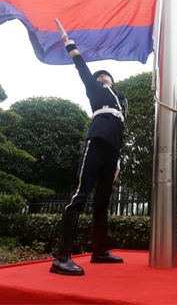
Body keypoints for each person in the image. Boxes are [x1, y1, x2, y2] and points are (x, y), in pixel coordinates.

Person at [50, 19, 128, 276]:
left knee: (103, 201)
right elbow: (82, 67)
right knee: (80, 194)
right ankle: (62, 257)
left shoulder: (121, 100)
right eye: (99, 75)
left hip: (113, 149)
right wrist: (70, 45)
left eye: (106, 75)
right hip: (96, 141)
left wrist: (118, 158)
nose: (102, 76)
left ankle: (100, 251)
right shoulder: (95, 89)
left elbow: (121, 129)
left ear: (113, 82)